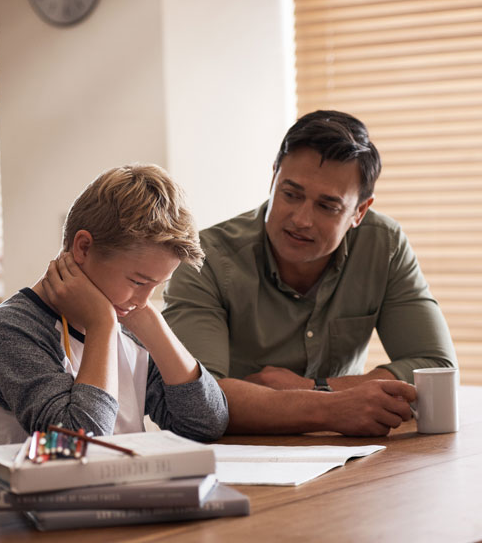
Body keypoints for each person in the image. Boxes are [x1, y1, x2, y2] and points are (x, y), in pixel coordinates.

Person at [163, 110, 457, 436]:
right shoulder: (206, 257)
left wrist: (316, 387)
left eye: (327, 206)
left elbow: (437, 368)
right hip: (241, 456)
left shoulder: (384, 244)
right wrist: (333, 407)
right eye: (291, 194)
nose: (302, 219)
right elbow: (196, 398)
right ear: (273, 177)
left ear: (359, 211)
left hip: (352, 458)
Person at [0, 163, 229, 447]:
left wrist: (154, 327)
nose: (143, 301)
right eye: (139, 281)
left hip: (125, 489)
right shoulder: (10, 330)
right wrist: (101, 325)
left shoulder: (130, 321)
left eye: (158, 285)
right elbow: (76, 445)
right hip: (32, 491)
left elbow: (205, 424)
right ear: (83, 248)